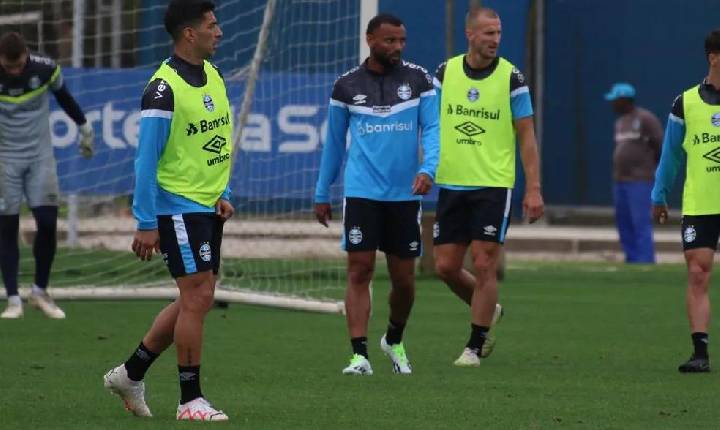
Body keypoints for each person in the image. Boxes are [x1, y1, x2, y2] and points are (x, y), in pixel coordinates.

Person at [102, 0, 233, 420]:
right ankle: (190, 400)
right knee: (198, 295)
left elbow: (212, 140)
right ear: (189, 33)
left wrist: (221, 190)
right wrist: (145, 221)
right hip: (176, 206)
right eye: (212, 25)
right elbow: (145, 160)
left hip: (206, 205)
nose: (220, 32)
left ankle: (131, 372)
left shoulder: (212, 74)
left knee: (197, 296)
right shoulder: (162, 88)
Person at [314, 13, 439, 375]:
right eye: (389, 41)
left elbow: (432, 129)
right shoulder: (346, 86)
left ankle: (394, 339)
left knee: (404, 280)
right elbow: (334, 146)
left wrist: (427, 169)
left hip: (404, 194)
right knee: (360, 269)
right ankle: (359, 354)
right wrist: (323, 193)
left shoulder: (419, 80)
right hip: (362, 192)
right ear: (370, 40)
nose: (397, 47)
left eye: (401, 41)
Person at [432, 7, 544, 367]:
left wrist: (534, 188)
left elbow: (526, 135)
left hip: (493, 184)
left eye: (498, 33)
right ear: (470, 35)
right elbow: (430, 125)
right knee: (445, 267)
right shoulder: (445, 73)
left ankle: (474, 345)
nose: (495, 40)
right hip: (451, 181)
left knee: (483, 264)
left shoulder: (512, 78)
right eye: (488, 33)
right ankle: (489, 310)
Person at [0, 31, 94, 319]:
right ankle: (13, 299)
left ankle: (40, 291)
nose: (15, 71)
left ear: (27, 54)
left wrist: (85, 127)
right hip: (5, 159)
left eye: (19, 64)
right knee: (6, 226)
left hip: (40, 158)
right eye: (9, 66)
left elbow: (65, 98)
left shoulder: (45, 69)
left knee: (47, 221)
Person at [652, 29, 720, 373]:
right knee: (697, 273)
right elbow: (671, 155)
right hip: (700, 204)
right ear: (713, 57)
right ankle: (700, 353)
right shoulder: (685, 102)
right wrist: (659, 194)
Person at [605, 82, 663, 264]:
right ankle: (631, 258)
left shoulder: (645, 119)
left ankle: (645, 260)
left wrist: (653, 170)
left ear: (624, 100)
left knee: (640, 223)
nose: (612, 104)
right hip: (620, 180)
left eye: (615, 100)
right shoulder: (620, 122)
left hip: (640, 181)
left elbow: (659, 145)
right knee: (624, 223)